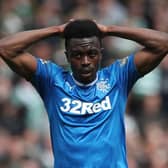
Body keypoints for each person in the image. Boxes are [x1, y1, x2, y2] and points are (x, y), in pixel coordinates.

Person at [0, 19, 168, 168]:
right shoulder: (51, 80)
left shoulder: (117, 77)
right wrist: (56, 30)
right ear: (67, 56)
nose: (85, 61)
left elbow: (163, 43)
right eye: (77, 55)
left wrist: (109, 30)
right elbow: (6, 48)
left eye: (92, 53)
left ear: (100, 54)